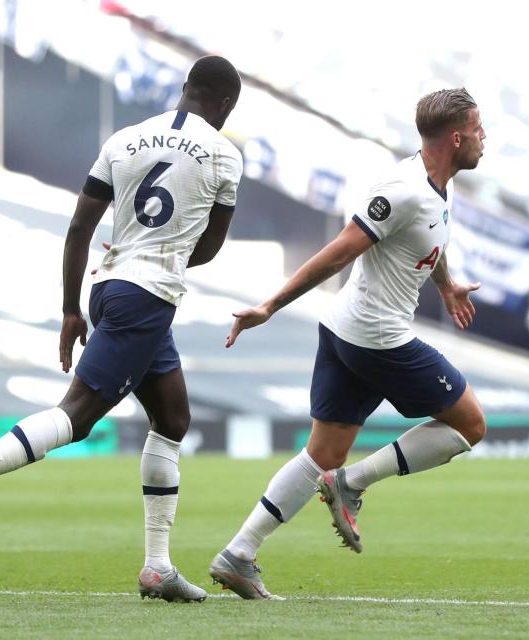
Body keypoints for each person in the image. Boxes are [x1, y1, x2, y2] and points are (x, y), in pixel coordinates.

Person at [0, 56, 244, 604]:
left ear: (185, 88)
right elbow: (207, 248)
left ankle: (157, 567)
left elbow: (79, 225)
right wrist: (174, 247)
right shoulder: (225, 156)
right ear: (227, 105)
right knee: (78, 414)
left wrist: (71, 309)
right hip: (150, 295)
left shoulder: (125, 139)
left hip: (110, 286)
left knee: (173, 417)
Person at [207, 88, 487, 599]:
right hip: (377, 336)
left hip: (345, 331)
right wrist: (270, 305)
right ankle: (351, 483)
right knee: (470, 424)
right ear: (456, 137)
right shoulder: (403, 189)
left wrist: (446, 285)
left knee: (321, 453)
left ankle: (238, 554)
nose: (484, 138)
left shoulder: (434, 183)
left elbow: (430, 238)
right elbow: (339, 252)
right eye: (479, 129)